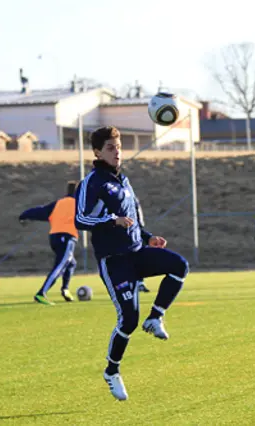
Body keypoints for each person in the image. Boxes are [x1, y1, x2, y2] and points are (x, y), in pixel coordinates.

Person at [74, 126, 189, 401]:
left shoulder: (123, 181)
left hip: (137, 251)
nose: (117, 152)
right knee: (128, 318)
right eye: (111, 148)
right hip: (114, 261)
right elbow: (80, 219)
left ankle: (156, 316)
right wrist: (111, 221)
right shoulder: (92, 183)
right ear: (98, 152)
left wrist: (148, 238)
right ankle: (112, 371)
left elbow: (132, 220)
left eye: (119, 147)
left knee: (179, 266)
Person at [19, 181, 79, 305]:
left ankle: (65, 289)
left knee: (71, 263)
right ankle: (41, 293)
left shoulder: (58, 203)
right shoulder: (79, 204)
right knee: (61, 265)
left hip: (54, 238)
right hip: (67, 238)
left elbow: (40, 211)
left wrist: (24, 216)